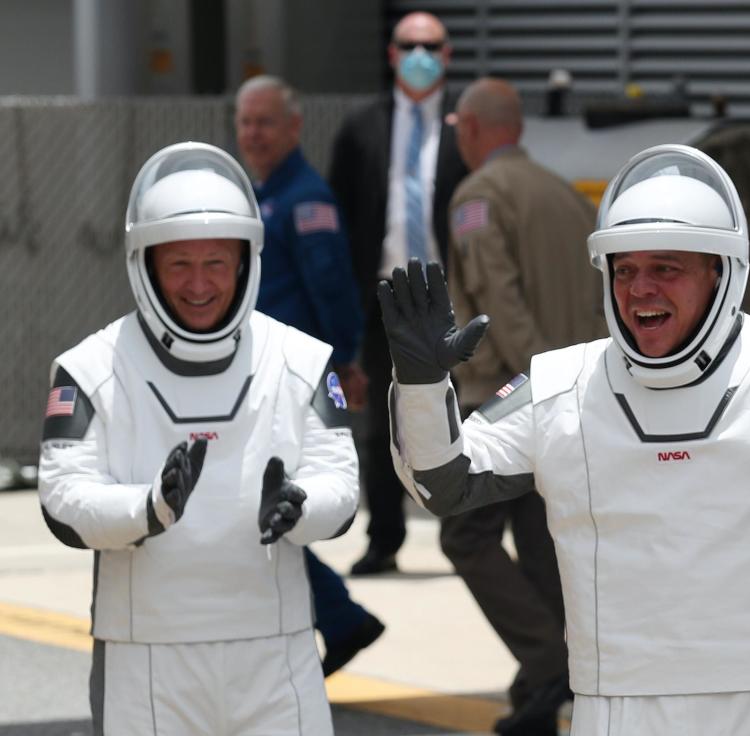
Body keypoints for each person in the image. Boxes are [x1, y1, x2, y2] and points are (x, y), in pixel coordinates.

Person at [379, 144, 750, 735]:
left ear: (720, 271)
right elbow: (441, 483)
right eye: (624, 270)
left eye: (666, 268)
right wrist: (421, 384)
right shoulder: (560, 385)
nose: (640, 290)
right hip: (617, 702)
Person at [38, 142, 359, 735]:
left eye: (217, 262)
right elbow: (63, 500)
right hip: (147, 656)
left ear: (246, 260)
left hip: (275, 649)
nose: (199, 284)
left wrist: (299, 505)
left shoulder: (301, 361)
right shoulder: (90, 369)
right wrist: (148, 507)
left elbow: (340, 479)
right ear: (145, 264)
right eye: (179, 263)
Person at [442, 77, 606, 735]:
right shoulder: (565, 196)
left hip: (509, 394)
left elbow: (493, 301)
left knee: (465, 534)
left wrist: (539, 381)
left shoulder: (477, 195)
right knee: (541, 544)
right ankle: (549, 679)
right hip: (569, 391)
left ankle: (547, 662)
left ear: (475, 128)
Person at [235, 74, 384, 676]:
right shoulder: (257, 192)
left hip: (291, 381)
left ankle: (341, 617)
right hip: (255, 375)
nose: (253, 133)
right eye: (245, 122)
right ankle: (342, 618)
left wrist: (345, 360)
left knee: (260, 508)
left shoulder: (305, 197)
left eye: (265, 121)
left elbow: (333, 288)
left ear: (294, 128)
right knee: (258, 508)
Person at [329, 10, 469, 575]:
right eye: (410, 45)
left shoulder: (466, 124)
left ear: (448, 52)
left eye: (431, 45)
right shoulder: (361, 125)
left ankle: (463, 535)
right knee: (386, 422)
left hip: (452, 297)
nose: (420, 55)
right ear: (391, 54)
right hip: (382, 297)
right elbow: (340, 216)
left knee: (460, 415)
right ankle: (384, 538)